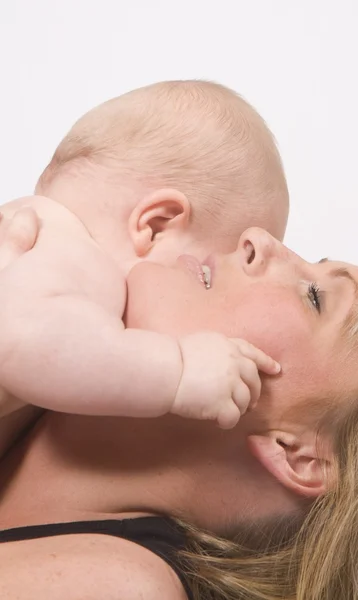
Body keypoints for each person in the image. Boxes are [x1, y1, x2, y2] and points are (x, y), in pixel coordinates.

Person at [0, 224, 358, 600]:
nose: (257, 237)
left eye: (315, 297)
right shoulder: (24, 373)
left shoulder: (118, 586)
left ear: (299, 455)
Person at [0, 80, 288, 432]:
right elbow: (26, 341)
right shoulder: (79, 255)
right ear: (155, 226)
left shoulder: (33, 239)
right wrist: (181, 371)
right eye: (205, 277)